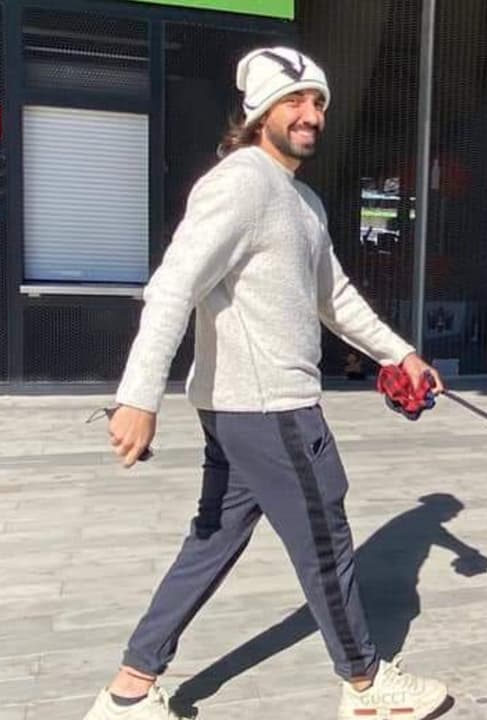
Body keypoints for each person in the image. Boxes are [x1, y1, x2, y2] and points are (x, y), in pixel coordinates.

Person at [81, 46, 450, 720]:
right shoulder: (242, 184)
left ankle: (129, 689)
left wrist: (402, 355)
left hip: (248, 410)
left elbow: (333, 298)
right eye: (295, 102)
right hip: (270, 409)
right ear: (260, 113)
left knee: (213, 541)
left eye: (319, 103)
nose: (311, 115)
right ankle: (367, 687)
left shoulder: (300, 199)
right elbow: (172, 287)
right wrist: (138, 396)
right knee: (327, 538)